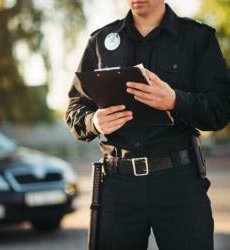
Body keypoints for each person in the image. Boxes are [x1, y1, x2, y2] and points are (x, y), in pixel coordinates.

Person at [65, 0, 230, 249]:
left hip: (179, 183)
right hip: (117, 186)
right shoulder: (100, 41)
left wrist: (175, 100)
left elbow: (220, 110)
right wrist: (93, 121)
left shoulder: (197, 38)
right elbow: (75, 107)